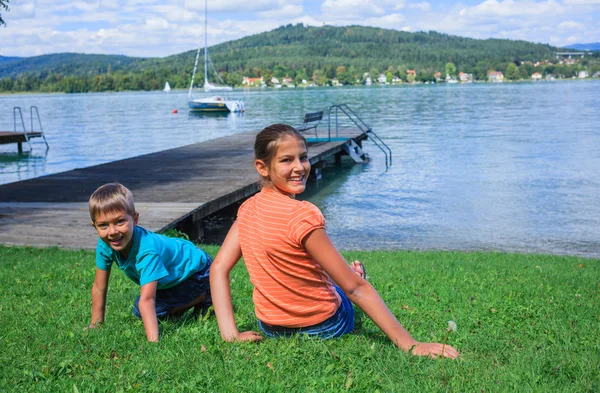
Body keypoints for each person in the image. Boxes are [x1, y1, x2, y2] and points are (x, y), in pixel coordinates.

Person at [210, 124, 459, 358]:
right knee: (348, 284)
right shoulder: (303, 214)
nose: (299, 167)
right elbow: (355, 290)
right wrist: (411, 344)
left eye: (303, 157)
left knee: (320, 270)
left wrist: (230, 334)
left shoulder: (247, 209)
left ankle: (348, 272)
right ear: (262, 168)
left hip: (272, 327)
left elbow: (219, 268)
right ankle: (353, 272)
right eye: (287, 160)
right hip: (324, 326)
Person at [88, 182, 212, 342]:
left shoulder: (146, 250)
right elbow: (99, 287)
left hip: (198, 271)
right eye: (103, 225)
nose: (112, 232)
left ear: (135, 219)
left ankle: (205, 295)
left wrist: (153, 342)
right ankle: (183, 303)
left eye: (120, 222)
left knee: (146, 307)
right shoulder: (105, 244)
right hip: (177, 276)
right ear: (95, 226)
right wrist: (96, 324)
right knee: (143, 309)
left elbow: (147, 300)